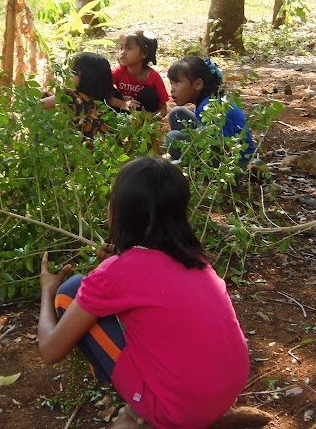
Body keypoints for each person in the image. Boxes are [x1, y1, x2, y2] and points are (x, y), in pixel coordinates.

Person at [38, 157, 249, 429]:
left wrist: (47, 291)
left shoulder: (115, 273)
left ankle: (145, 409)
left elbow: (49, 351)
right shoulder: (195, 258)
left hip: (181, 412)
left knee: (70, 292)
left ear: (120, 210)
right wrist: (114, 264)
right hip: (226, 391)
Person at [164, 55, 255, 167]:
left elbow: (225, 147)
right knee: (177, 113)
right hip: (215, 144)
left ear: (198, 84)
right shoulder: (206, 101)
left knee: (172, 138)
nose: (172, 89)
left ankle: (193, 166)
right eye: (171, 83)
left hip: (234, 162)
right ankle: (186, 158)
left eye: (177, 83)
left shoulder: (212, 107)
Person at [41, 52, 114, 138]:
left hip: (72, 144)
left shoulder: (70, 95)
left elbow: (37, 105)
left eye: (73, 72)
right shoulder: (102, 98)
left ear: (85, 78)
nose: (69, 75)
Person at [109, 30, 169, 113]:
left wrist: (151, 118)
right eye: (121, 48)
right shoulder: (119, 71)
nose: (122, 52)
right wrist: (122, 104)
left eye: (129, 48)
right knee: (106, 88)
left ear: (144, 53)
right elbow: (100, 93)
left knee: (148, 94)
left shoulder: (153, 77)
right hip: (123, 113)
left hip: (144, 116)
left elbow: (163, 109)